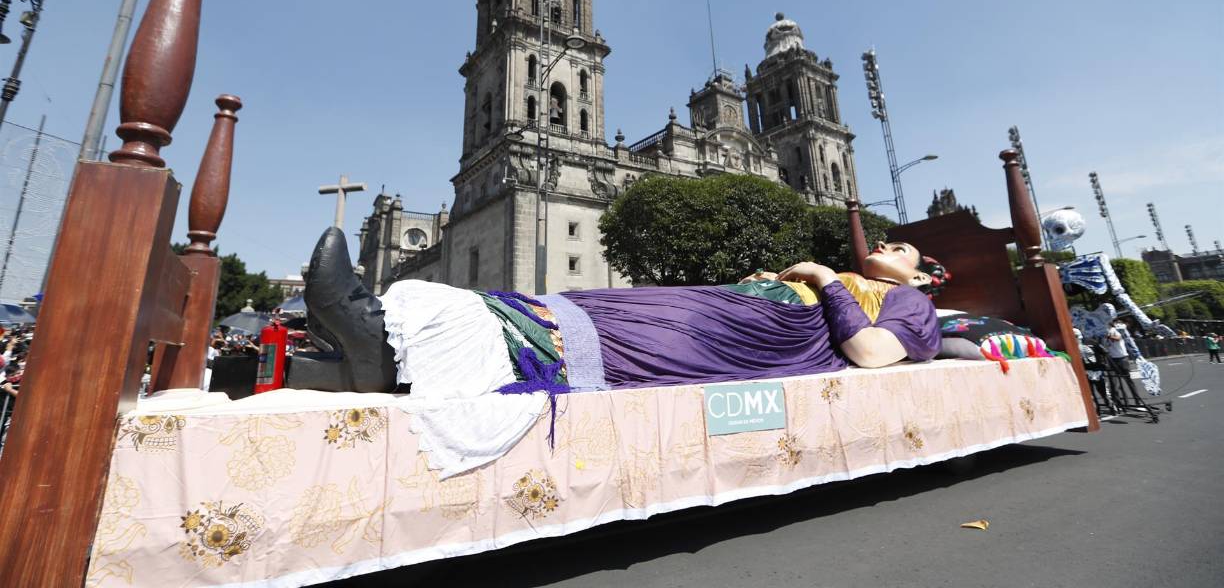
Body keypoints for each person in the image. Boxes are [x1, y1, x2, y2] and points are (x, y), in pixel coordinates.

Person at [300, 226, 945, 393]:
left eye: (903, 246)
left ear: (926, 274)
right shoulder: (869, 281)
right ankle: (382, 346)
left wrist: (829, 281)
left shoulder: (910, 303)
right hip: (739, 307)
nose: (885, 245)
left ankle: (375, 337)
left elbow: (868, 354)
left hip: (762, 333)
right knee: (590, 306)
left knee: (618, 331)